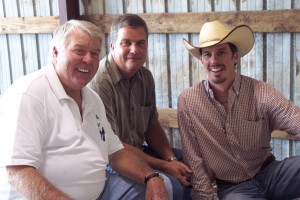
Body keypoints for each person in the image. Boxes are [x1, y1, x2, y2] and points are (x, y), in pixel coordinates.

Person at [0, 19, 170, 200]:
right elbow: (17, 171)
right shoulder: (29, 94)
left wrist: (152, 178)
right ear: (55, 52)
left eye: (95, 53)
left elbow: (116, 154)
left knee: (164, 186)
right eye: (79, 51)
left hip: (100, 191)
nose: (88, 59)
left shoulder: (90, 98)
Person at [178, 20, 300, 200]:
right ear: (202, 60)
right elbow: (194, 161)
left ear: (235, 56)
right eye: (207, 55)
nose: (214, 61)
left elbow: (295, 120)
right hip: (234, 190)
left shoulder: (261, 92)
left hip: (272, 174)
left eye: (221, 52)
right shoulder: (188, 101)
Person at [89, 14, 192, 200]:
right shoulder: (100, 82)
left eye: (140, 43)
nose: (134, 50)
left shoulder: (145, 76)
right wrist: (165, 166)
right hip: (110, 160)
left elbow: (152, 126)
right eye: (126, 43)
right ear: (112, 46)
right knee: (172, 184)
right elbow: (114, 147)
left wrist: (171, 159)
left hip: (138, 149)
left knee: (189, 164)